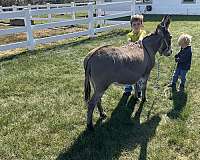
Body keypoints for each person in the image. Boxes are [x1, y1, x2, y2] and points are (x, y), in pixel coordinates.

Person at [124, 14, 147, 97]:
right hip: (132, 57)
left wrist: (140, 41)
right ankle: (127, 89)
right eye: (134, 24)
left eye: (138, 24)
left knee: (139, 75)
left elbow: (141, 37)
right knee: (128, 74)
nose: (136, 26)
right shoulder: (130, 34)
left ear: (141, 24)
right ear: (131, 26)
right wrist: (130, 43)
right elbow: (129, 41)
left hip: (140, 58)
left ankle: (139, 90)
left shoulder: (142, 32)